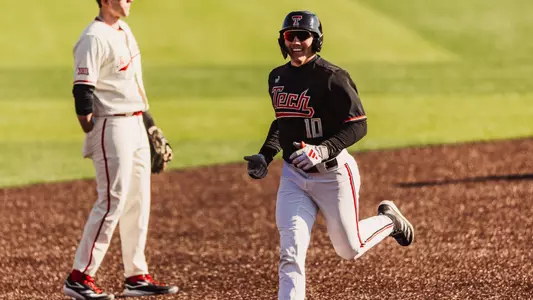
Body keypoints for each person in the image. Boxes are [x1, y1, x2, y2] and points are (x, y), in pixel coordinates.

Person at [243, 10, 415, 300]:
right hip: (294, 178)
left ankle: (390, 221)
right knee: (290, 252)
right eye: (290, 36)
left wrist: (323, 149)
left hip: (333, 175)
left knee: (349, 249)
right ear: (282, 40)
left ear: (316, 40)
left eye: (303, 36)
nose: (296, 42)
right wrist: (266, 155)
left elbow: (358, 126)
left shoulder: (333, 78)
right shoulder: (277, 78)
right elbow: (283, 123)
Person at [63, 0, 178, 299]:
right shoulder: (93, 37)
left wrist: (150, 126)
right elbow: (82, 92)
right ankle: (79, 276)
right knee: (112, 201)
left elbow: (134, 86)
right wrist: (95, 129)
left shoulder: (124, 30)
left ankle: (136, 276)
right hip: (111, 125)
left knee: (139, 200)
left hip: (136, 122)